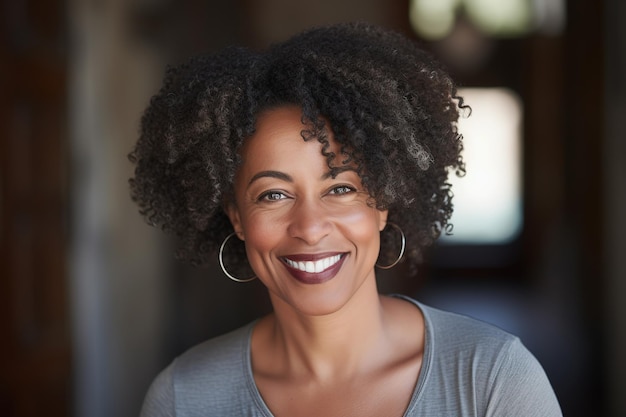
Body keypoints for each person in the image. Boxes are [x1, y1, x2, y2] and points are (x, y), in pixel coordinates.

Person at [130, 22, 562, 417]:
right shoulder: (182, 398)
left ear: (383, 203)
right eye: (274, 194)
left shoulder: (494, 382)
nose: (311, 226)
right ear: (237, 218)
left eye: (340, 188)